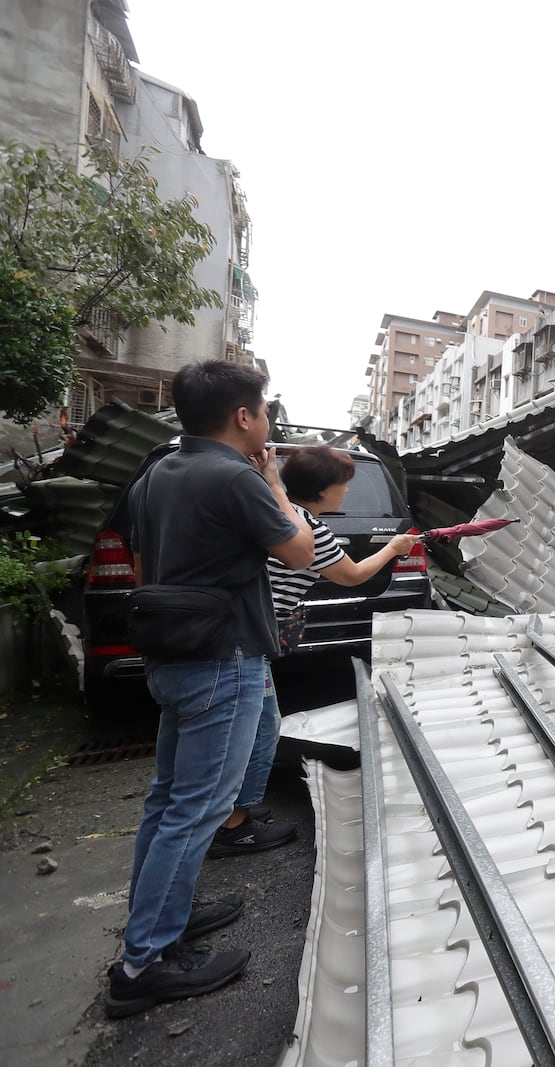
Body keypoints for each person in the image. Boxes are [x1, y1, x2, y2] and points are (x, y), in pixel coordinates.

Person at [106, 361, 314, 1019]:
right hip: (222, 659)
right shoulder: (235, 477)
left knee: (169, 799)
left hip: (173, 655)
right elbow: (301, 552)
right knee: (196, 808)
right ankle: (143, 962)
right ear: (243, 416)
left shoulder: (156, 471)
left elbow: (142, 562)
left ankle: (165, 916)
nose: (269, 422)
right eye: (265, 411)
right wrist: (276, 484)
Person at [215, 445, 417, 854]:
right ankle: (232, 825)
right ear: (323, 491)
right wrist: (394, 549)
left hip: (236, 632)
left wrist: (272, 478)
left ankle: (235, 811)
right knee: (254, 727)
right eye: (342, 485)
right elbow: (353, 575)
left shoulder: (275, 510)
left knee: (255, 724)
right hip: (244, 641)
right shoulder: (308, 529)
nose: (345, 493)